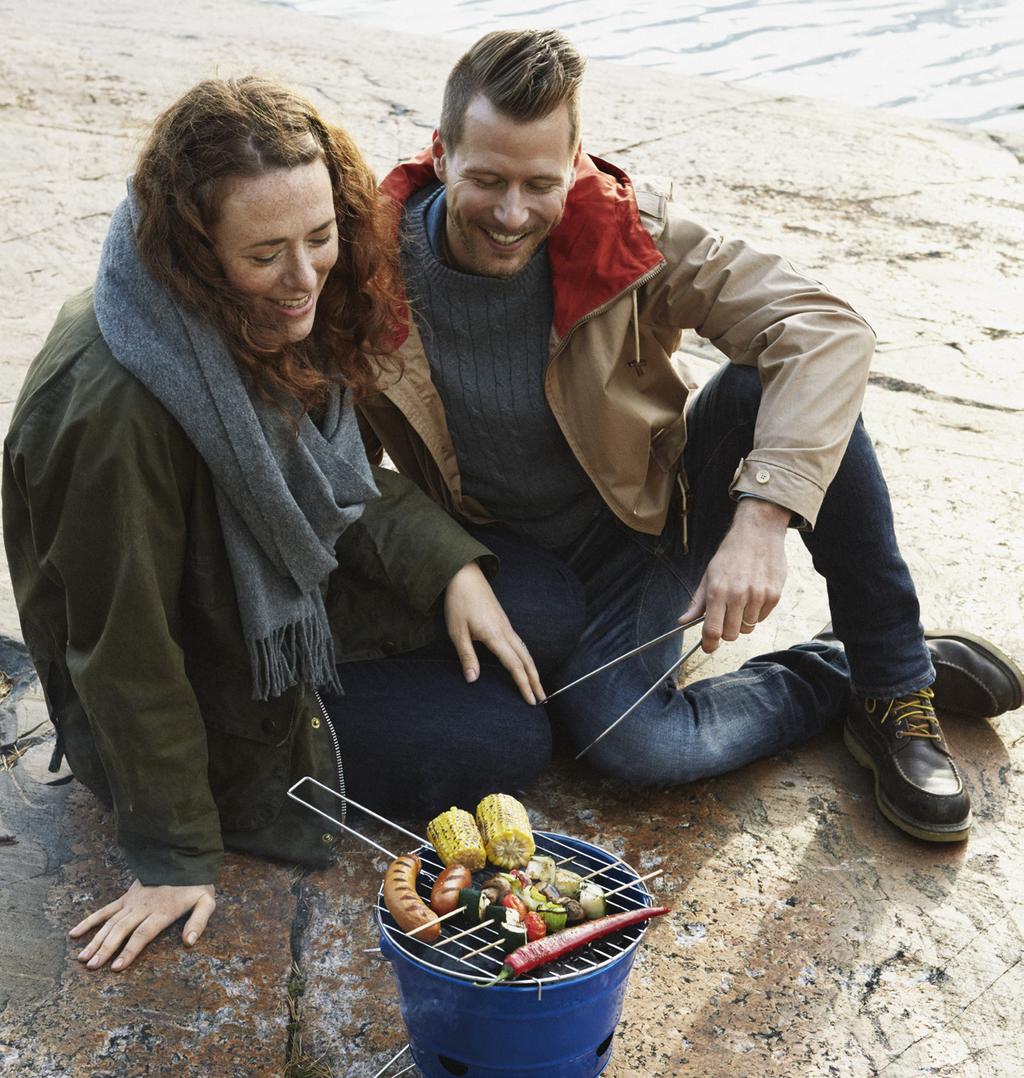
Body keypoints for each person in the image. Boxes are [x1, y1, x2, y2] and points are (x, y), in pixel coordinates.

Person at [358, 29, 1024, 845]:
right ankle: (835, 675)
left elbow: (825, 332)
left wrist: (761, 518)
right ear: (441, 152)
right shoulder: (368, 274)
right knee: (633, 744)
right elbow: (335, 462)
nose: (511, 214)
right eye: (486, 180)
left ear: (577, 162)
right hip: (520, 570)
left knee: (772, 384)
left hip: (655, 524)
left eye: (540, 183)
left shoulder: (624, 232)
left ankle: (893, 680)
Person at [2, 77, 577, 971]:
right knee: (509, 740)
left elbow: (326, 484)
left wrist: (450, 567)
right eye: (268, 252)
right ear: (194, 249)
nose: (305, 277)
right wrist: (174, 852)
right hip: (208, 676)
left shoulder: (252, 304)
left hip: (268, 589)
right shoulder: (113, 409)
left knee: (541, 598)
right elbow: (121, 645)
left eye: (321, 236)